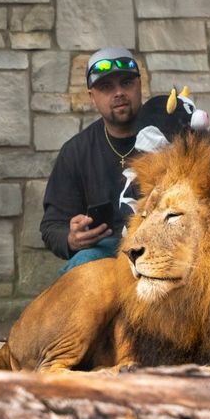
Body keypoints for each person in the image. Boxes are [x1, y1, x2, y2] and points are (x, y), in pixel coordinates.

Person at [41, 48, 144, 271]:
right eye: (106, 87)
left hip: (165, 248)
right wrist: (71, 238)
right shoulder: (76, 152)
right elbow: (51, 226)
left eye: (126, 83)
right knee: (81, 264)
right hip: (105, 259)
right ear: (92, 97)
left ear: (139, 85)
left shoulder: (171, 135)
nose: (119, 93)